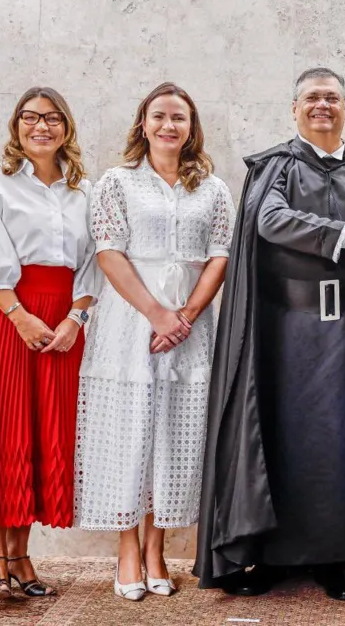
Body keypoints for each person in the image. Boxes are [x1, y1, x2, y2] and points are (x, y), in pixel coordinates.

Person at [193, 67, 345, 602]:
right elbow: (270, 221)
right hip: (285, 333)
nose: (322, 105)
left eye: (331, 98)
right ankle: (273, 555)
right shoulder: (276, 167)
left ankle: (335, 558)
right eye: (311, 98)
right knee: (280, 438)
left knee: (344, 443)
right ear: (295, 108)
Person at [73, 82, 234, 602]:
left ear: (192, 128)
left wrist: (184, 316)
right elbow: (109, 253)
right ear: (143, 123)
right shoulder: (117, 183)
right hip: (129, 322)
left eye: (179, 118)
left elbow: (219, 258)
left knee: (174, 431)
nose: (169, 126)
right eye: (159, 116)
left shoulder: (213, 188)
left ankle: (157, 548)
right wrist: (157, 314)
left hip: (190, 328)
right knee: (130, 432)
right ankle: (126, 549)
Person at [0, 87, 96, 599]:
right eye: (30, 118)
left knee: (41, 429)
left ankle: (22, 554)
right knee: (1, 426)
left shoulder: (83, 190)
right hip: (5, 315)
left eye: (52, 118)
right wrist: (20, 316)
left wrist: (75, 318)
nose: (41, 127)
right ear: (17, 125)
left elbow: (94, 262)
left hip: (62, 321)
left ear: (66, 127)